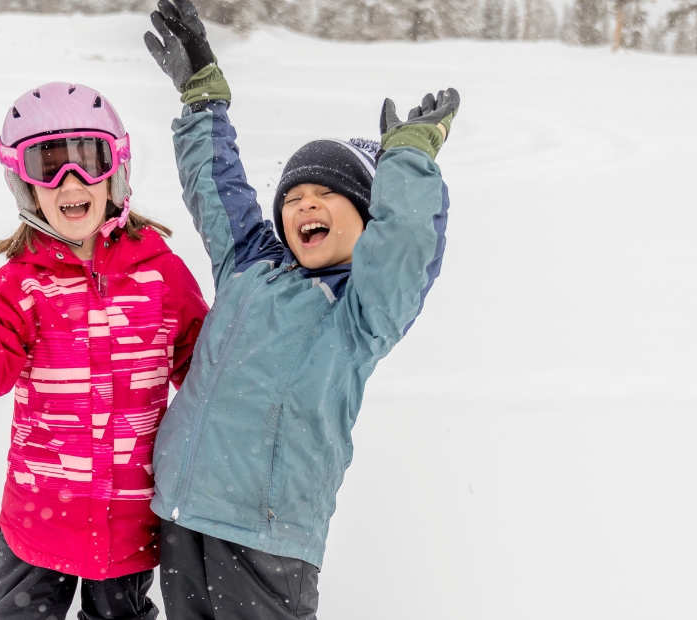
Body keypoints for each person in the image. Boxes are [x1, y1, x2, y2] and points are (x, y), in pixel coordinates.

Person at [142, 1, 459, 618]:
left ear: (368, 220)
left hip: (266, 536)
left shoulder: (361, 310)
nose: (304, 205)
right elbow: (219, 187)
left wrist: (409, 163)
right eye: (294, 196)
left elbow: (406, 245)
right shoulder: (249, 266)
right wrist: (203, 99)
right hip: (184, 509)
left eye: (327, 195)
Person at [0, 82, 209, 620]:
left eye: (87, 160)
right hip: (37, 522)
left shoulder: (161, 276)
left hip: (130, 522)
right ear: (24, 185)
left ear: (115, 168)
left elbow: (207, 381)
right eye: (47, 165)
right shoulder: (18, 284)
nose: (70, 180)